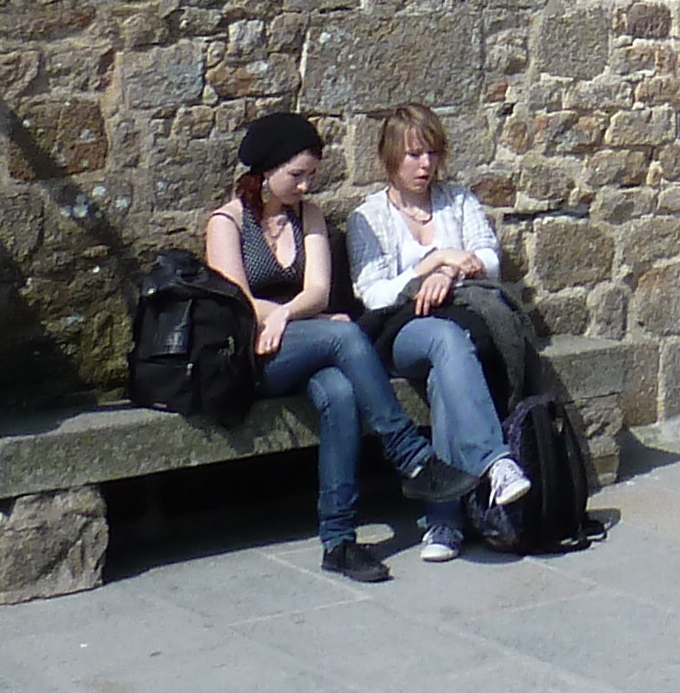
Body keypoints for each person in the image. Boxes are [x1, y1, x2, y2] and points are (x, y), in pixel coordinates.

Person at [204, 114, 478, 581]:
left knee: (341, 393)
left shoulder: (306, 217)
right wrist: (295, 315)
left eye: (311, 174)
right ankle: (411, 455)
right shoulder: (226, 223)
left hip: (298, 343)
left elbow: (318, 291)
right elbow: (238, 306)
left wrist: (290, 315)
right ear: (264, 171)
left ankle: (339, 540)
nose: (306, 186)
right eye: (296, 175)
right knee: (344, 332)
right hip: (251, 357)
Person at [346, 105, 525, 561]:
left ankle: (444, 523)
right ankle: (495, 460)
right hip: (398, 334)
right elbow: (373, 293)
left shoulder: (457, 201)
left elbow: (487, 258)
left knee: (447, 367)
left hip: (455, 325)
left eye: (431, 153)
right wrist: (433, 262)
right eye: (412, 155)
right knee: (443, 340)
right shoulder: (368, 217)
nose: (424, 165)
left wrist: (449, 276)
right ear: (390, 158)